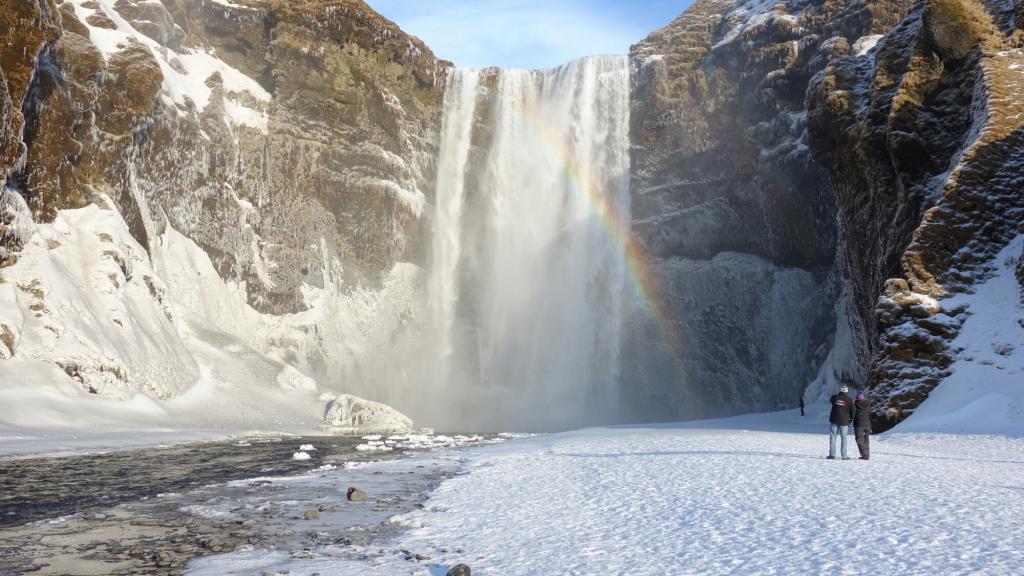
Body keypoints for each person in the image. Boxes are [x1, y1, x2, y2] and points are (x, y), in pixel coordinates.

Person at [827, 385, 855, 459]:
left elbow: (831, 401)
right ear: (847, 391)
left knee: (833, 436)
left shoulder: (834, 397)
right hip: (844, 421)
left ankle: (832, 455)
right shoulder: (849, 400)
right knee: (844, 437)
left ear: (840, 391)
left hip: (834, 420)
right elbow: (853, 411)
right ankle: (844, 455)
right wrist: (850, 419)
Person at [854, 392, 871, 460]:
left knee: (859, 440)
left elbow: (852, 413)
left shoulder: (855, 404)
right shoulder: (868, 404)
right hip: (867, 424)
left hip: (859, 425)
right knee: (866, 439)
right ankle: (866, 454)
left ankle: (865, 455)